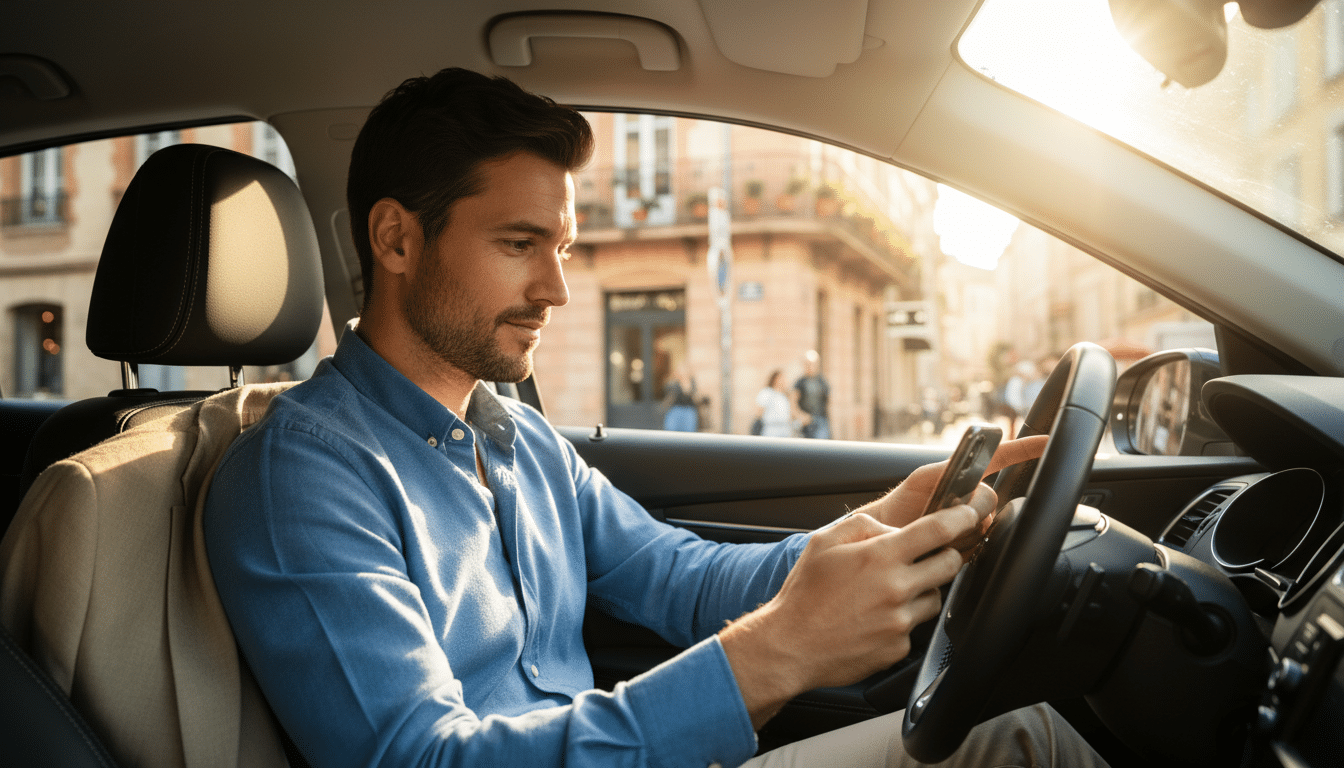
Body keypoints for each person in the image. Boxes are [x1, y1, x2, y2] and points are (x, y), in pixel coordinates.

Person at [203, 68, 1108, 768]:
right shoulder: (301, 475)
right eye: (519, 245)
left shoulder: (519, 441)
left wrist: (874, 528)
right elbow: (423, 759)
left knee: (1026, 735)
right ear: (397, 238)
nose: (556, 288)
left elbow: (682, 579)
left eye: (559, 248)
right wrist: (776, 654)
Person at [794, 350, 830, 438]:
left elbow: (828, 402)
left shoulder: (822, 381)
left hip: (821, 421)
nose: (809, 366)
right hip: (806, 423)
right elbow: (792, 404)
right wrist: (801, 416)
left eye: (811, 364)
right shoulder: (800, 382)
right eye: (806, 364)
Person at [754, 369, 794, 437]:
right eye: (781, 378)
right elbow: (759, 412)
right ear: (775, 379)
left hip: (785, 429)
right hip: (771, 428)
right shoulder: (767, 392)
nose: (783, 381)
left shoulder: (784, 396)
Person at [662, 365, 699, 432]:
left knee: (688, 432)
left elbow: (690, 395)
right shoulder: (672, 383)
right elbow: (669, 392)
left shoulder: (691, 382)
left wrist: (685, 384)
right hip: (675, 409)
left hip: (688, 410)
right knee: (671, 430)